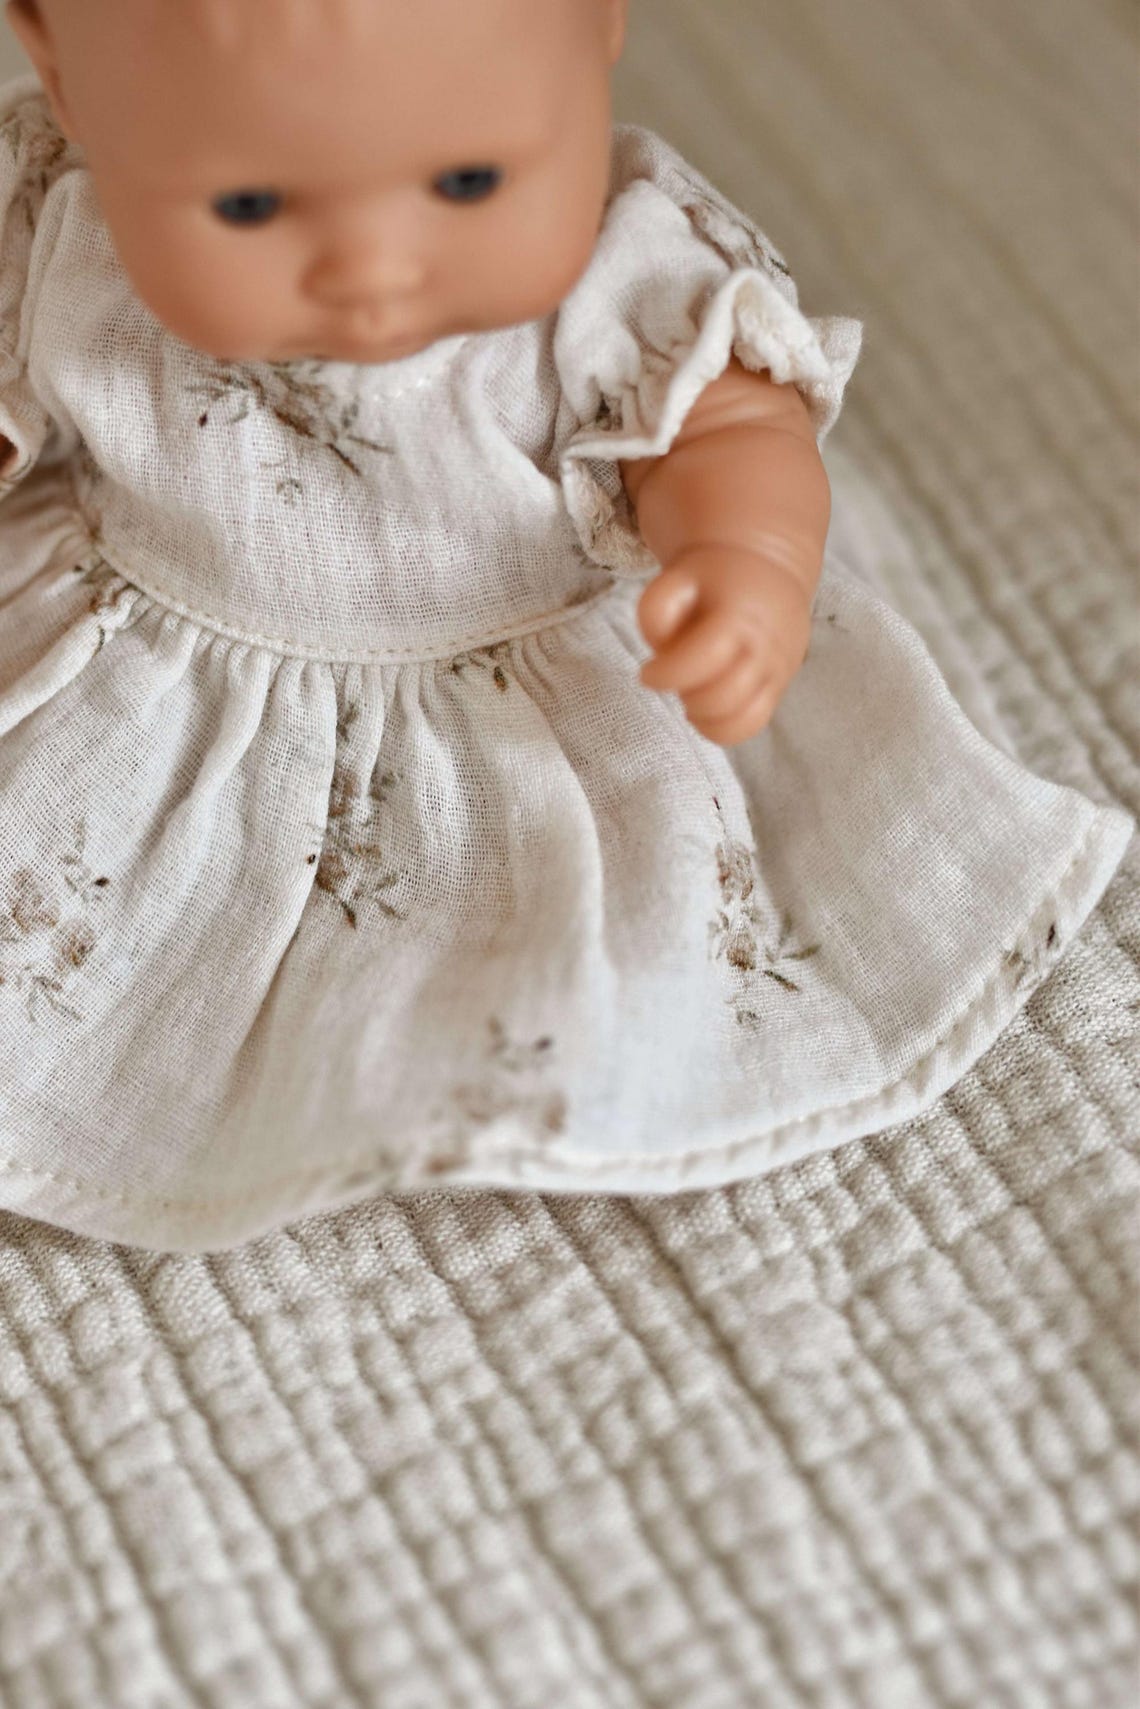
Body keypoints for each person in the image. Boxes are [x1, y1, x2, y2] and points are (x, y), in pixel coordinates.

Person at [0, 0, 1129, 1249]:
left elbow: (725, 418)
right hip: (159, 677)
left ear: (599, 21)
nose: (372, 267)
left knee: (596, 935)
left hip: (536, 692)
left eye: (466, 181)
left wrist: (742, 555)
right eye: (253, 204)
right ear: (63, 69)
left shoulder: (619, 262)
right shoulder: (55, 219)